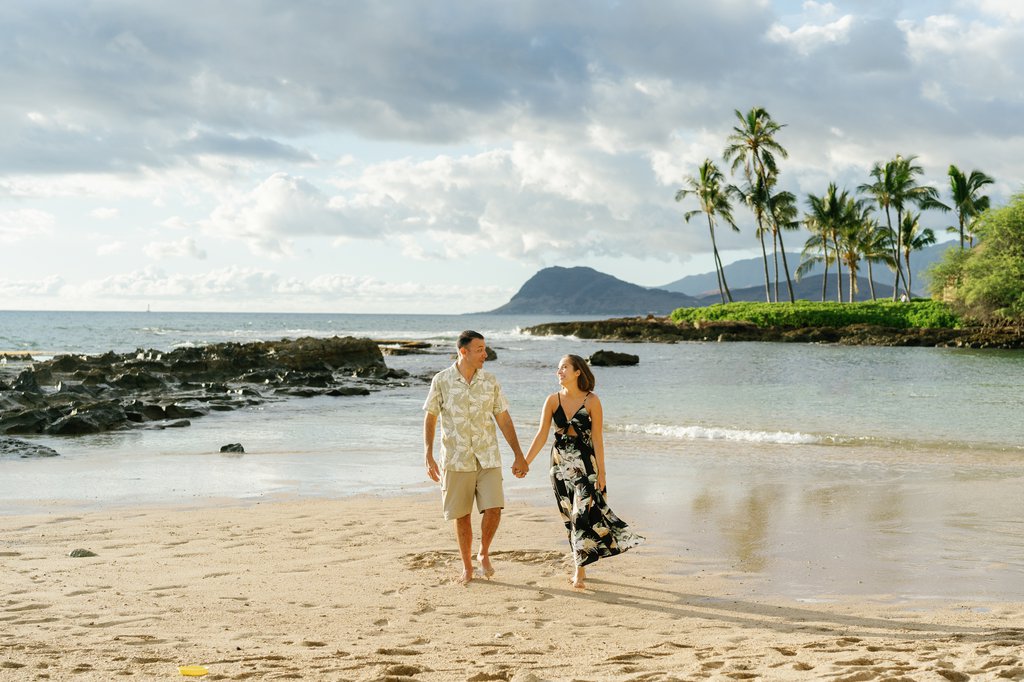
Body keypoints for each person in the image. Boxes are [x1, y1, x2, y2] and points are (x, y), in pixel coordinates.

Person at [524, 354, 644, 589]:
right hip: (559, 466)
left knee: (581, 515)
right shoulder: (551, 400)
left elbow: (598, 439)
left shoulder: (592, 401)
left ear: (578, 371)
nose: (559, 372)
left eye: (564, 367)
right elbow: (541, 435)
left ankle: (579, 570)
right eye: (558, 368)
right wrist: (525, 462)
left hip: (586, 467)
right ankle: (581, 565)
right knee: (569, 517)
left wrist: (602, 473)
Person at [423, 330, 528, 585]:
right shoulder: (441, 381)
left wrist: (518, 454)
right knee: (462, 515)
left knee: (494, 508)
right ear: (464, 352)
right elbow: (431, 417)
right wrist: (428, 453)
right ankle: (467, 566)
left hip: (487, 456)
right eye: (480, 349)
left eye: (485, 348)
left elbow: (503, 418)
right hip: (456, 458)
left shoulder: (490, 381)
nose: (485, 354)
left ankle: (483, 552)